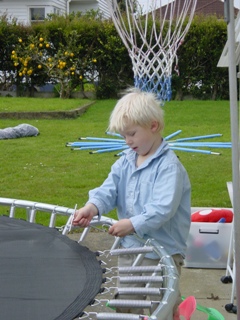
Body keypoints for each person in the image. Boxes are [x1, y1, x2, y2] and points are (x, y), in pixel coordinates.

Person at [73, 87, 191, 316]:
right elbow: (110, 188)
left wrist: (133, 224)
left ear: (153, 126)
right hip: (131, 249)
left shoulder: (169, 167)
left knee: (162, 303)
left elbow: (162, 208)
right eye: (123, 136)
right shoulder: (126, 160)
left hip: (163, 254)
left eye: (132, 134)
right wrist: (92, 206)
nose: (127, 141)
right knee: (127, 300)